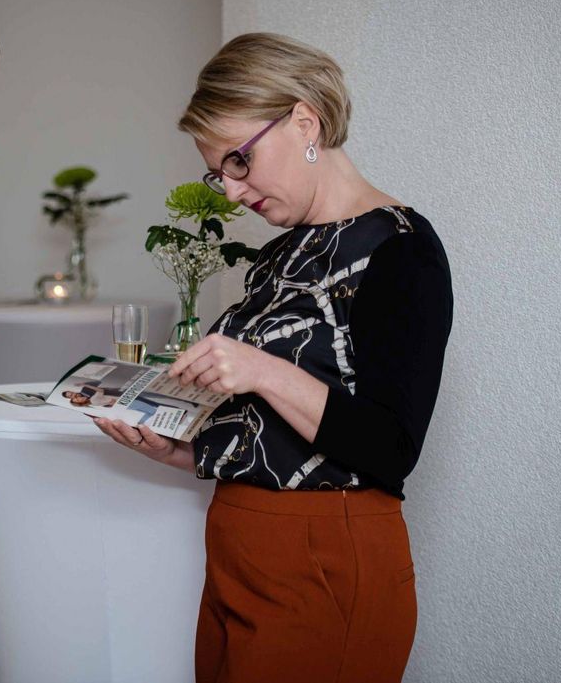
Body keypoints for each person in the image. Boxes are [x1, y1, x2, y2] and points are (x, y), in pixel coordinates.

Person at [93, 33, 452, 682]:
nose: (231, 191)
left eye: (239, 160)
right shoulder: (279, 255)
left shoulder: (401, 249)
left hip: (323, 563)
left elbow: (392, 447)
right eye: (218, 173)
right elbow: (271, 436)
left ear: (305, 122)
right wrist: (178, 450)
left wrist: (261, 369)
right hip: (238, 556)